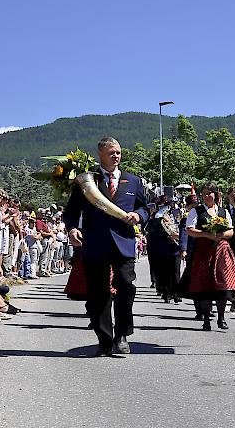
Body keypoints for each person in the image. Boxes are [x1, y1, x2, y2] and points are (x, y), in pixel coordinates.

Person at [64, 137, 149, 357]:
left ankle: (121, 335)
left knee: (126, 287)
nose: (116, 156)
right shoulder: (87, 180)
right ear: (100, 154)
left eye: (118, 152)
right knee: (98, 293)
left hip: (124, 242)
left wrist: (138, 216)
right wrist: (72, 229)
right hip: (95, 243)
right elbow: (72, 211)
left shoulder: (132, 180)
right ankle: (104, 339)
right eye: (111, 152)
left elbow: (144, 207)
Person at [184, 183, 235, 331]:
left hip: (221, 251)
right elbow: (190, 230)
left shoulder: (223, 212)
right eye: (204, 193)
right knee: (204, 286)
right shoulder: (196, 211)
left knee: (223, 284)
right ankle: (206, 319)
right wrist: (206, 234)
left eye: (209, 193)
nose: (207, 196)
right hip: (203, 252)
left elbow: (231, 231)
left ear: (215, 194)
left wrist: (221, 235)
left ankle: (221, 317)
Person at [146, 195, 182, 303]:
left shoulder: (177, 214)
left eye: (168, 204)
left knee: (176, 271)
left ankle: (176, 293)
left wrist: (176, 233)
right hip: (163, 247)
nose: (166, 207)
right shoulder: (156, 217)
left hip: (175, 246)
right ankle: (166, 293)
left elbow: (182, 227)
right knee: (164, 271)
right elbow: (151, 232)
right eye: (164, 204)